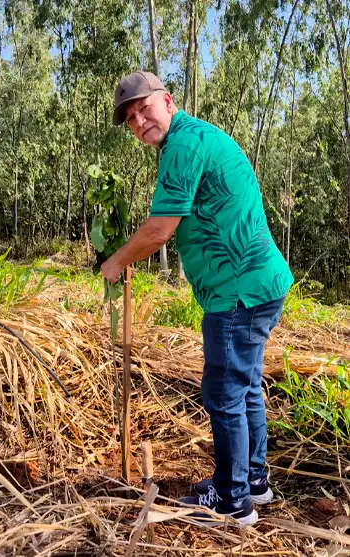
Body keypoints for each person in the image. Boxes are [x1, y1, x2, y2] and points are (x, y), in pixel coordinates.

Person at [104, 71, 293, 525]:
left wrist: (117, 261)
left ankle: (232, 502)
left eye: (144, 109)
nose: (139, 122)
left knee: (224, 392)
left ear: (167, 101)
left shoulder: (183, 145)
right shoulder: (195, 136)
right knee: (245, 386)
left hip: (237, 292)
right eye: (131, 119)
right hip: (258, 285)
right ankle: (253, 481)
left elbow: (159, 229)